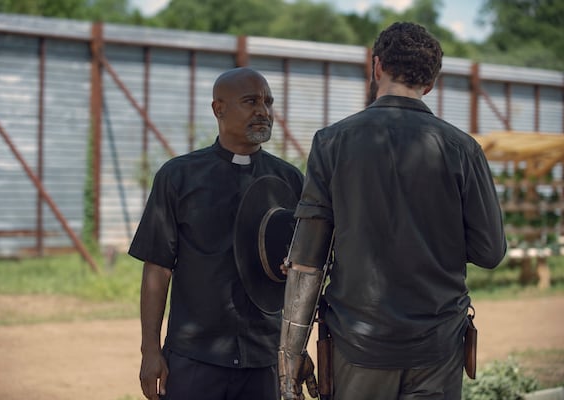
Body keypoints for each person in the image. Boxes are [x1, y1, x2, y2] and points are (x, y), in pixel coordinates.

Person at [278, 22, 507, 400]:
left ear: (376, 66)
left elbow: (306, 259)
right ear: (430, 83)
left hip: (357, 347)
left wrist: (290, 355)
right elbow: (491, 252)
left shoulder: (331, 142)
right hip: (438, 348)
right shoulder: (463, 149)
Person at [129, 67, 304, 400]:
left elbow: (302, 272)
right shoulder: (178, 177)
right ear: (218, 109)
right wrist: (150, 350)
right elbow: (157, 268)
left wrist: (298, 350)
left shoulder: (290, 181)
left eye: (268, 102)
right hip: (195, 358)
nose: (263, 112)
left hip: (264, 360)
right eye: (251, 101)